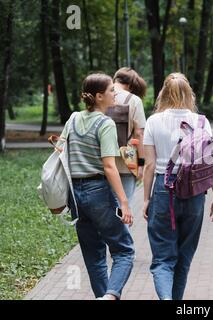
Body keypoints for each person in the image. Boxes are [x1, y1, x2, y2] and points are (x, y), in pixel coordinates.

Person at [142, 72, 213, 300]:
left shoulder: (153, 121)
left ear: (163, 93)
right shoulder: (201, 121)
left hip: (163, 191)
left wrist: (146, 199)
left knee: (162, 259)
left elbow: (148, 166)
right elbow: (210, 164)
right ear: (189, 94)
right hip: (196, 193)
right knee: (184, 256)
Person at [61, 73, 135, 300]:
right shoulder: (105, 123)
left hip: (75, 196)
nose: (115, 93)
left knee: (94, 256)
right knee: (124, 251)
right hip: (98, 192)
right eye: (112, 90)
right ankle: (111, 295)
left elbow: (60, 151)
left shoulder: (72, 119)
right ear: (100, 96)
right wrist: (124, 202)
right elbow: (110, 167)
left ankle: (103, 297)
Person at [112, 67, 147, 205]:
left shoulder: (100, 95)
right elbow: (139, 133)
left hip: (103, 162)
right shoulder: (134, 100)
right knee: (124, 209)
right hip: (127, 161)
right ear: (130, 85)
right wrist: (141, 165)